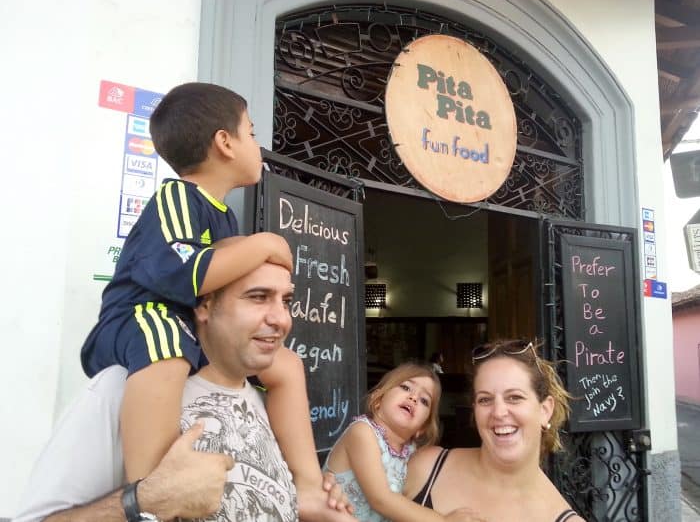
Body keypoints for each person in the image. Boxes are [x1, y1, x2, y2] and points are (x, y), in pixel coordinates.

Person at [80, 82, 302, 485]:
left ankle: (306, 482)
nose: (257, 144)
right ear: (224, 142)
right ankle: (154, 489)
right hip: (137, 319)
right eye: (250, 133)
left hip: (193, 326)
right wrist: (264, 244)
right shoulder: (178, 197)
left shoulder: (224, 217)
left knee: (285, 362)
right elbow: (183, 271)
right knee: (164, 339)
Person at [14, 261, 355, 522]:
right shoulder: (123, 388)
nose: (281, 319)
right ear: (204, 306)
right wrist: (146, 499)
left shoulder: (269, 403)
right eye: (258, 297)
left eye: (287, 300)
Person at [404, 339, 584, 522]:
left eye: (514, 397)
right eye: (485, 400)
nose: (498, 412)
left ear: (545, 411)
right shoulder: (426, 468)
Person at [323, 363, 476, 522]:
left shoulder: (411, 453)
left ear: (422, 427)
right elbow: (381, 499)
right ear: (378, 399)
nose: (414, 397)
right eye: (405, 387)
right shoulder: (362, 432)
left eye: (424, 400)